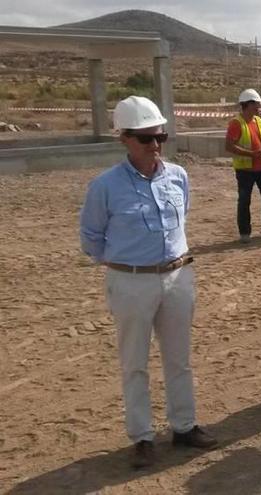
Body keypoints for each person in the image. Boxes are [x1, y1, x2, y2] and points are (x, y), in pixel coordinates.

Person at [79, 96, 217, 468]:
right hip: (131, 282)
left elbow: (181, 215)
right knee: (134, 362)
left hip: (176, 276)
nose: (154, 145)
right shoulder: (104, 187)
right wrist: (126, 264)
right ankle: (141, 436)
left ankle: (184, 427)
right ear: (123, 138)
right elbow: (91, 238)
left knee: (179, 359)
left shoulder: (178, 176)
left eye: (160, 137)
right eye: (145, 138)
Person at [225, 88, 261, 244]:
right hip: (245, 170)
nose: (259, 107)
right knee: (244, 201)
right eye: (256, 104)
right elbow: (229, 146)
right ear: (247, 104)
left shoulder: (260, 122)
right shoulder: (236, 123)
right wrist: (251, 154)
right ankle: (244, 232)